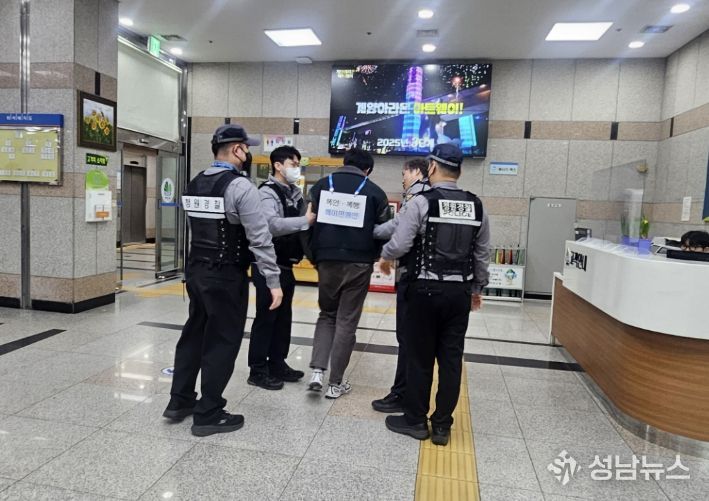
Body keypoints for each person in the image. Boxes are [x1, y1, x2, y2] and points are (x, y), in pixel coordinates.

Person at [163, 124, 283, 437]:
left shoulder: (195, 182)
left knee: (194, 334)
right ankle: (209, 412)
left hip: (196, 271)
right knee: (222, 341)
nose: (248, 153)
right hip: (226, 275)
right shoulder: (241, 187)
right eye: (246, 147)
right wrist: (273, 281)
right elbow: (259, 238)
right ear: (236, 149)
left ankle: (180, 400)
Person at [377, 143, 490, 446]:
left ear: (432, 167)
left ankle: (415, 421)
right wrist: (477, 288)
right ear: (460, 170)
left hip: (424, 291)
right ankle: (441, 425)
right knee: (451, 359)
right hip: (459, 293)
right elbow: (482, 254)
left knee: (420, 357)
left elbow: (401, 243)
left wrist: (386, 257)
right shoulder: (476, 206)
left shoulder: (421, 202)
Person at [306, 148, 390, 399]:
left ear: (344, 163)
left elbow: (306, 224)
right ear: (368, 170)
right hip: (359, 263)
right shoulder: (376, 192)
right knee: (346, 321)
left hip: (327, 260)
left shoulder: (321, 186)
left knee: (327, 314)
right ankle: (335, 384)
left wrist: (314, 256)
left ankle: (317, 373)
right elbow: (383, 231)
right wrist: (374, 256)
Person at [247, 146, 315, 390]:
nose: (297, 168)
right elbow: (271, 225)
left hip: (286, 264)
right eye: (293, 163)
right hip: (267, 264)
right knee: (266, 317)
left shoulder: (294, 192)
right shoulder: (267, 192)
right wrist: (304, 221)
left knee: (283, 317)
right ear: (277, 165)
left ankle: (277, 362)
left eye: (298, 164)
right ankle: (257, 369)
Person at [371, 158, 430, 413]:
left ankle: (402, 394)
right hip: (438, 282)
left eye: (404, 173)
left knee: (407, 338)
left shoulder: (417, 198)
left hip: (414, 277)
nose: (402, 179)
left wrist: (375, 237)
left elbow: (400, 229)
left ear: (417, 171)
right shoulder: (438, 197)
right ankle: (415, 399)